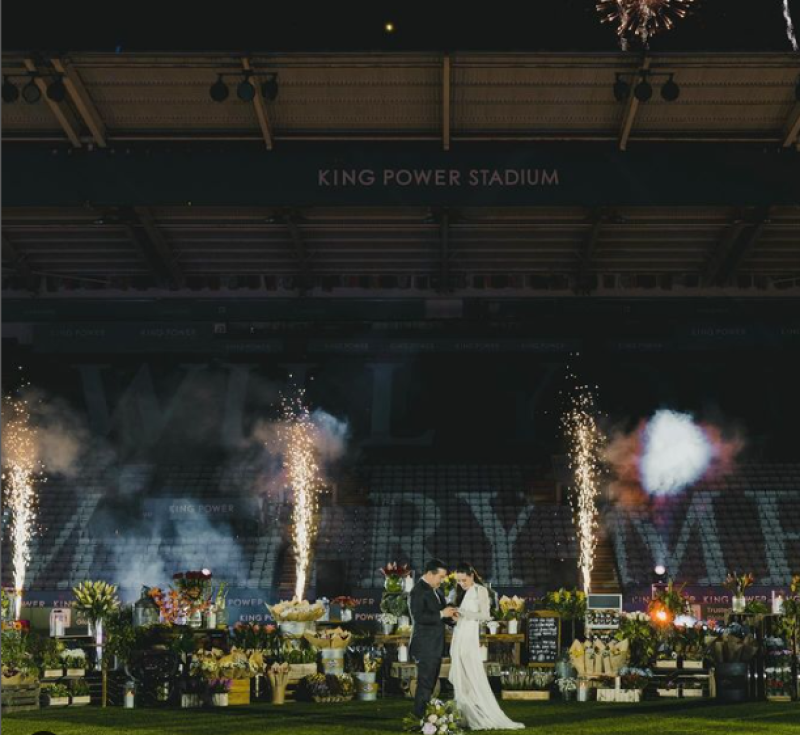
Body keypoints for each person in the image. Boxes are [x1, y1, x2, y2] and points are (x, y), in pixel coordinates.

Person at [449, 562, 524, 730]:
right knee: (461, 677)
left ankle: (478, 715)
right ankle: (464, 715)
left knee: (472, 675)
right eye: (459, 581)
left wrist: (463, 613)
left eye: (464, 580)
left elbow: (485, 615)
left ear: (472, 576)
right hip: (459, 634)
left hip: (469, 637)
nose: (461, 583)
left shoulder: (480, 591)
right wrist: (455, 616)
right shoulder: (460, 592)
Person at [408, 558, 459, 718]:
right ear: (430, 574)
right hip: (425, 646)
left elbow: (441, 615)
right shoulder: (417, 590)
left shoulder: (436, 590)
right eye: (441, 577)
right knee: (425, 684)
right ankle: (419, 718)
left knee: (430, 683)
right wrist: (442, 613)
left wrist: (452, 618)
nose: (442, 580)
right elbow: (419, 617)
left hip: (435, 646)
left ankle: (426, 717)